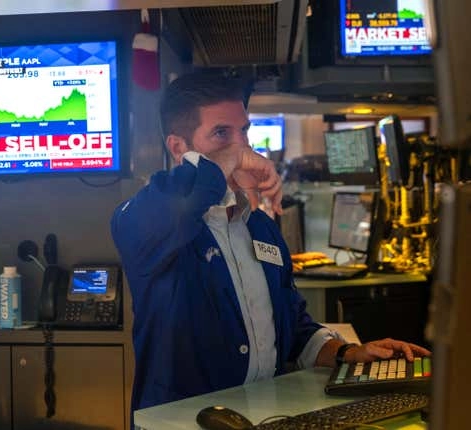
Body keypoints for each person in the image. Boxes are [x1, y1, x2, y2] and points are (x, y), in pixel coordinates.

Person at [110, 71, 430, 414]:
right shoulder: (148, 221)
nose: (241, 146)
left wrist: (346, 353)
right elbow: (149, 215)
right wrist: (226, 163)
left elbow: (292, 329)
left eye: (244, 131)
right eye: (221, 133)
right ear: (178, 148)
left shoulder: (261, 228)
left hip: (260, 416)